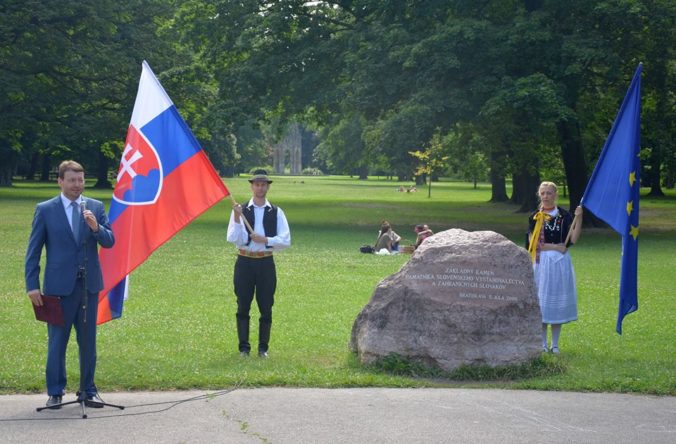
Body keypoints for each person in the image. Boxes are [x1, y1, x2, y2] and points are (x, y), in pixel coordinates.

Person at [25, 160, 115, 409]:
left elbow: (110, 241)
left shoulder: (95, 207)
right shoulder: (45, 209)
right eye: (73, 180)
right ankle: (55, 391)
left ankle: (88, 390)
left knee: (88, 342)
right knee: (57, 342)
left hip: (88, 287)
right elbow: (33, 250)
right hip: (57, 289)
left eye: (81, 180)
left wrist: (96, 228)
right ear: (60, 181)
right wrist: (32, 285)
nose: (78, 185)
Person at [227, 169, 291, 358]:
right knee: (242, 305)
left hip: (265, 263)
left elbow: (285, 240)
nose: (260, 187)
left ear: (268, 187)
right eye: (257, 184)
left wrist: (265, 240)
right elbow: (234, 239)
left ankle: (263, 348)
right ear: (251, 186)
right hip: (245, 262)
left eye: (263, 184)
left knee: (266, 305)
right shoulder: (241, 209)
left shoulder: (276, 212)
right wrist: (238, 218)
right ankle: (244, 348)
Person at [527, 181, 582, 354]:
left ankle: (555, 344)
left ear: (555, 195)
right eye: (543, 193)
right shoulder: (535, 217)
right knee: (542, 303)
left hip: (559, 264)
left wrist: (579, 218)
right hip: (542, 263)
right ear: (539, 195)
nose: (546, 196)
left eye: (549, 193)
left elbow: (573, 239)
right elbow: (533, 243)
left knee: (555, 303)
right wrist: (556, 247)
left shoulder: (564, 216)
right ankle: (542, 343)